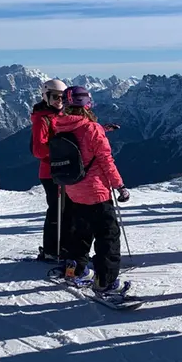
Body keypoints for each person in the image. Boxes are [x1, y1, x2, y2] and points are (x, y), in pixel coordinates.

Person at [53, 86, 130, 294]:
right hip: (96, 192)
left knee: (80, 234)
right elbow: (106, 161)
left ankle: (74, 270)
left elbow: (79, 140)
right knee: (108, 237)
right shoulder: (92, 129)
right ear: (87, 104)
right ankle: (105, 282)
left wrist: (102, 130)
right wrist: (120, 186)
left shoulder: (60, 127)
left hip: (73, 190)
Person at [31, 78, 73, 261]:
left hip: (64, 170)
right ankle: (51, 249)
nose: (59, 101)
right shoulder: (42, 119)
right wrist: (59, 150)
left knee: (66, 210)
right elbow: (38, 150)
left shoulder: (59, 115)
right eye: (55, 97)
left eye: (63, 97)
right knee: (57, 210)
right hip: (51, 172)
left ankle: (63, 246)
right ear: (45, 97)